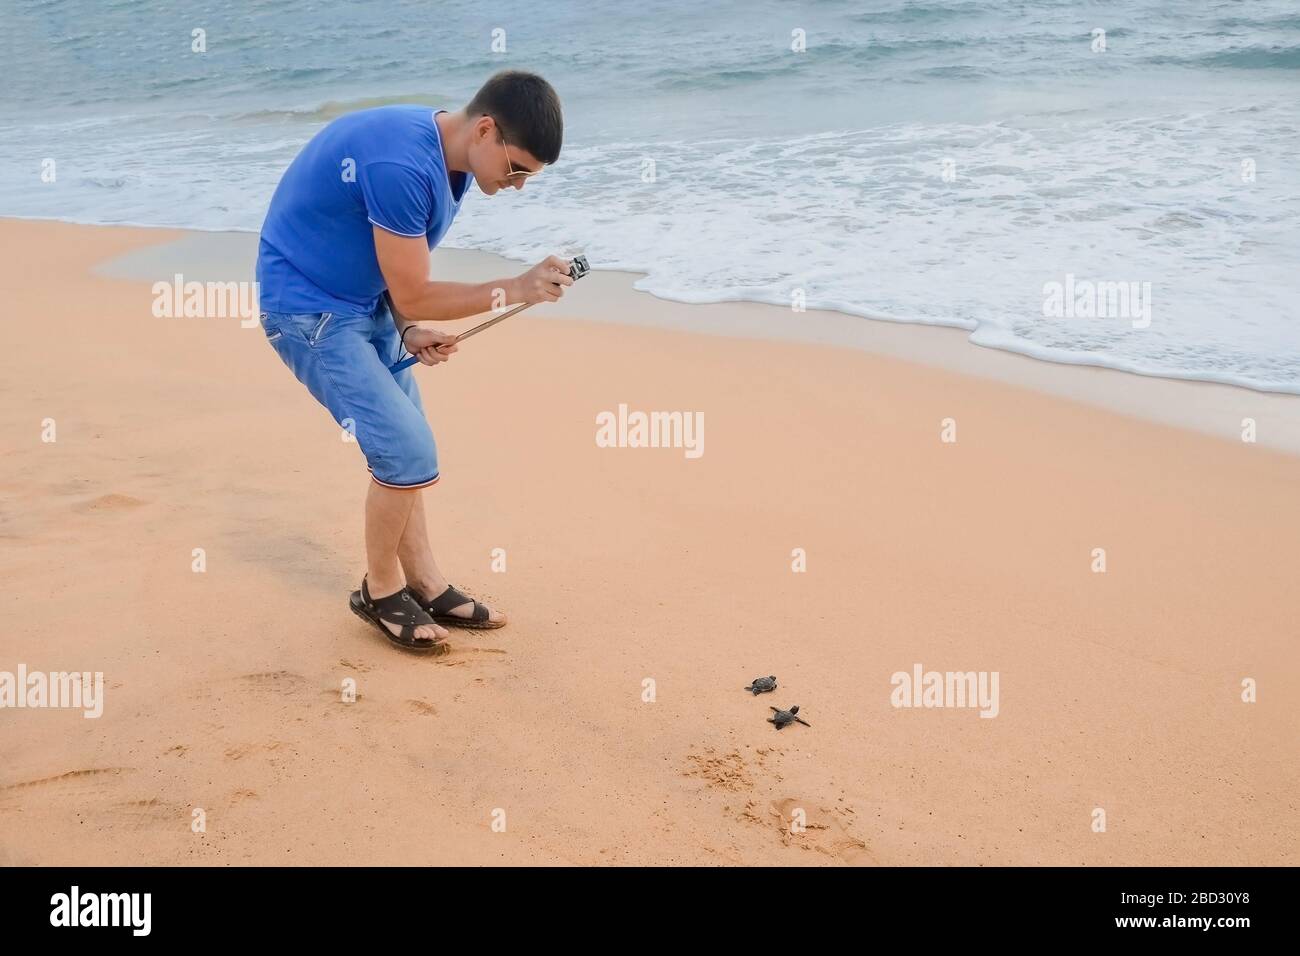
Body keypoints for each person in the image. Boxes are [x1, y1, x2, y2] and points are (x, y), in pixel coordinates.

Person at [255, 70, 571, 650]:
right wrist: (517, 288)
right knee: (406, 450)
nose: (520, 185)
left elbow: (398, 279)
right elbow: (416, 288)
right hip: (309, 312)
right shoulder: (402, 165)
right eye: (519, 169)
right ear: (486, 130)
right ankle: (379, 591)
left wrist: (408, 327)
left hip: (364, 304)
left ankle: (425, 582)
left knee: (408, 447)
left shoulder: (453, 161)